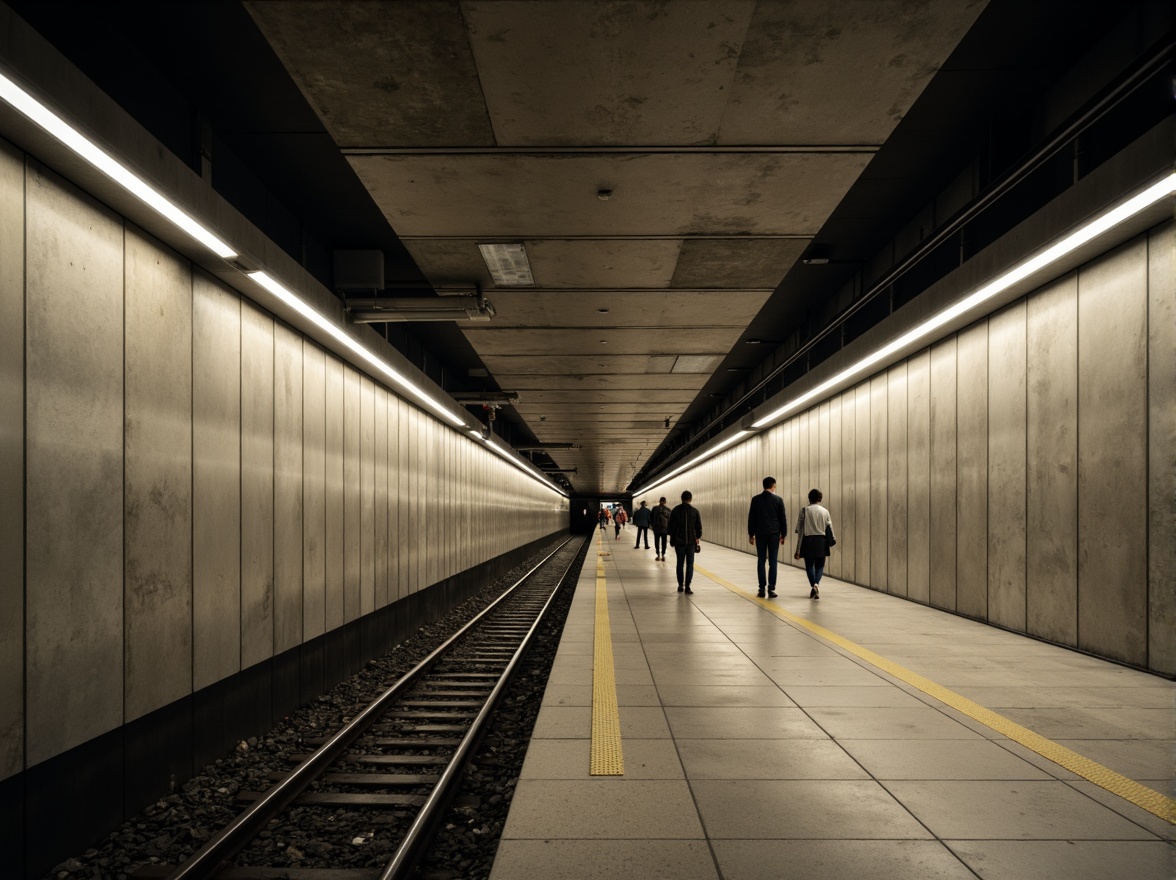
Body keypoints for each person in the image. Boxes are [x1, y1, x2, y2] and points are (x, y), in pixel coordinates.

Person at [748, 476, 788, 598]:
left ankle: (761, 589)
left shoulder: (756, 500)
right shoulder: (778, 500)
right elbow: (782, 519)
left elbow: (752, 518)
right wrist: (783, 534)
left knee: (761, 560)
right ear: (773, 486)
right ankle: (771, 588)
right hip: (774, 534)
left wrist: (751, 534)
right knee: (773, 561)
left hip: (760, 533)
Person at [794, 488, 835, 599]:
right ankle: (816, 584)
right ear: (820, 499)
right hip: (821, 541)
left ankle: (813, 585)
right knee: (820, 566)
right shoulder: (825, 511)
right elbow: (830, 528)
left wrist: (797, 550)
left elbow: (799, 531)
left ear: (809, 498)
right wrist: (833, 539)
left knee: (809, 566)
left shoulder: (804, 511)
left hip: (808, 541)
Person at [667, 490, 702, 594]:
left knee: (680, 563)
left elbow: (670, 528)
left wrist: (673, 539)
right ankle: (687, 587)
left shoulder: (675, 511)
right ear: (690, 499)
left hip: (679, 542)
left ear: (681, 499)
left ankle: (680, 586)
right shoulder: (695, 511)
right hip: (691, 543)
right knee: (690, 564)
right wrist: (697, 537)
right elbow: (699, 528)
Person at [651, 496, 671, 561]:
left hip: (656, 529)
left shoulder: (654, 509)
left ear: (659, 501)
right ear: (665, 502)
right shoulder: (668, 510)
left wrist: (652, 526)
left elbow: (651, 518)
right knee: (664, 542)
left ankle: (658, 555)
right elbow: (670, 520)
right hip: (664, 529)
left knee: (657, 542)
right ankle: (663, 555)